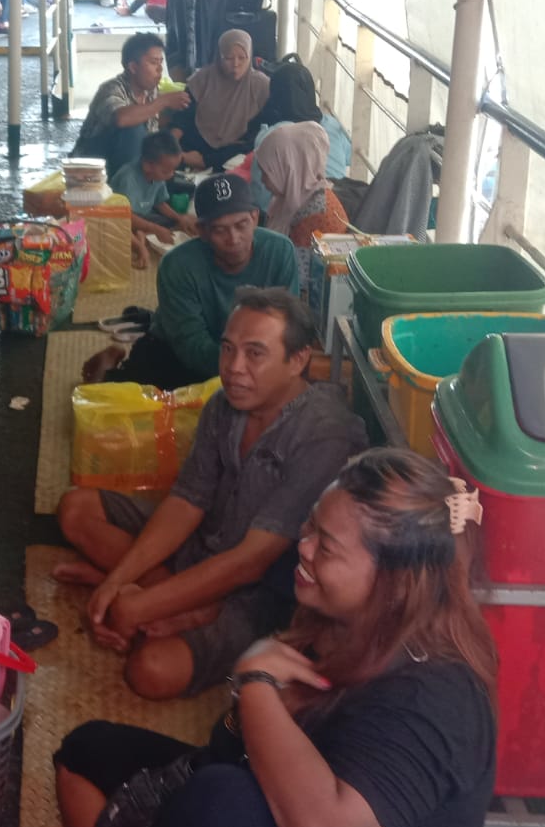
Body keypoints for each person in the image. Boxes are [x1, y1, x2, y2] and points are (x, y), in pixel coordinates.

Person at [55, 446, 498, 827]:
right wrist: (247, 706)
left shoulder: (435, 700)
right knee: (88, 750)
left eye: (326, 546)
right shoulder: (341, 619)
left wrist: (256, 687)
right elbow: (233, 744)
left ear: (396, 582)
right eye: (311, 526)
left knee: (218, 808)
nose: (303, 546)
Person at [58, 288, 365, 701]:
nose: (234, 368)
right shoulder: (223, 405)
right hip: (203, 546)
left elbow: (252, 562)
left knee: (150, 670)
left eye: (255, 354)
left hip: (257, 594)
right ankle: (176, 599)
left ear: (297, 360)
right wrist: (117, 583)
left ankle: (177, 601)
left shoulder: (323, 435)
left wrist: (134, 607)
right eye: (227, 348)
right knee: (76, 507)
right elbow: (188, 501)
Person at [83, 174, 300, 391]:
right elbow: (192, 346)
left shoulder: (280, 252)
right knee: (144, 401)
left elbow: (287, 325)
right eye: (220, 230)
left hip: (252, 354)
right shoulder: (177, 266)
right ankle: (109, 364)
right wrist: (242, 371)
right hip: (181, 352)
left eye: (241, 225)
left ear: (255, 218)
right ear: (201, 231)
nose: (234, 239)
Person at [70, 33, 191, 178]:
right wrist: (162, 102)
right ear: (133, 67)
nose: (159, 69)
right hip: (90, 168)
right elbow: (121, 119)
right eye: (153, 63)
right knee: (133, 129)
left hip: (126, 166)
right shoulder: (110, 89)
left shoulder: (150, 91)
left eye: (161, 62)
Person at [253, 120, 349, 287]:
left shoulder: (315, 214)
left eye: (267, 172)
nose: (262, 179)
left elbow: (297, 281)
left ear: (289, 168)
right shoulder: (296, 197)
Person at [177, 29, 271, 169]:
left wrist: (207, 161)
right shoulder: (202, 79)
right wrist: (173, 146)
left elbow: (262, 131)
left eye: (242, 58)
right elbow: (183, 117)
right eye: (228, 58)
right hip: (198, 144)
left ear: (250, 56)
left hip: (236, 150)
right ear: (219, 57)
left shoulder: (261, 85)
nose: (235, 64)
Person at [110, 129, 194, 250]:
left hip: (145, 216)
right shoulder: (128, 178)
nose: (171, 175)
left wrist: (178, 218)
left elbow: (159, 203)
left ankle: (143, 234)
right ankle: (141, 236)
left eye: (173, 170)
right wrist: (156, 229)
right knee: (121, 232)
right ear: (148, 165)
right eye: (166, 171)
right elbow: (125, 216)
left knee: (173, 223)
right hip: (123, 218)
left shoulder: (156, 175)